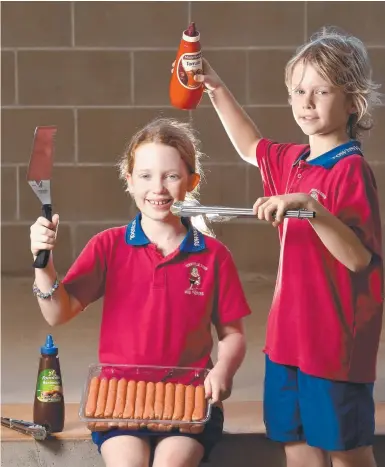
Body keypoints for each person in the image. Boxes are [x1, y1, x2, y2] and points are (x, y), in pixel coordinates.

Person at [193, 27, 383, 467]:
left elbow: (357, 258)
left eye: (321, 90)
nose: (307, 102)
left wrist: (309, 208)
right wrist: (215, 86)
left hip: (334, 343)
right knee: (295, 444)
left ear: (353, 101)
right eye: (299, 90)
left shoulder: (350, 170)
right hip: (286, 338)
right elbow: (249, 145)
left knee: (347, 451)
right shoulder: (293, 162)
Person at [30, 118, 251, 467]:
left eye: (171, 176)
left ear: (192, 181)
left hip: (189, 397)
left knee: (172, 463)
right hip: (118, 398)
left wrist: (223, 369)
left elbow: (232, 333)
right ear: (129, 180)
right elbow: (58, 312)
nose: (158, 188)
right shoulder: (108, 246)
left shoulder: (213, 256)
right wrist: (44, 266)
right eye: (146, 176)